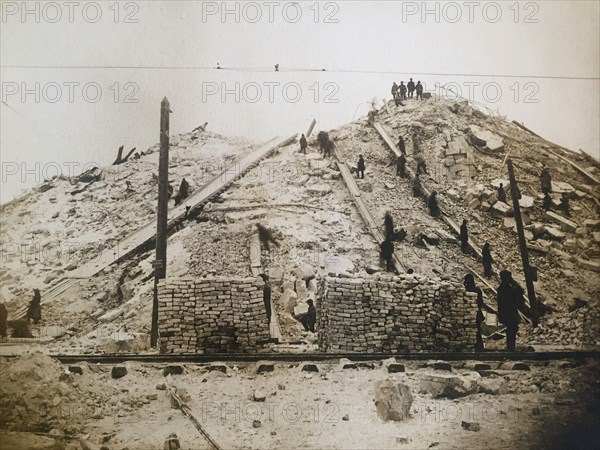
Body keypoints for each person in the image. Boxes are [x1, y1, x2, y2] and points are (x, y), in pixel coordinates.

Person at [496, 270, 523, 351]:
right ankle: (511, 348)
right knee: (512, 329)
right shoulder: (508, 287)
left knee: (511, 329)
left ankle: (510, 348)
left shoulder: (502, 287)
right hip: (509, 312)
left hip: (507, 312)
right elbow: (519, 291)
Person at [464, 274, 485, 351]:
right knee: (477, 331)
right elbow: (481, 303)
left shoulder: (465, 290)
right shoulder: (477, 290)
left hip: (468, 314)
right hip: (477, 314)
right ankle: (479, 348)